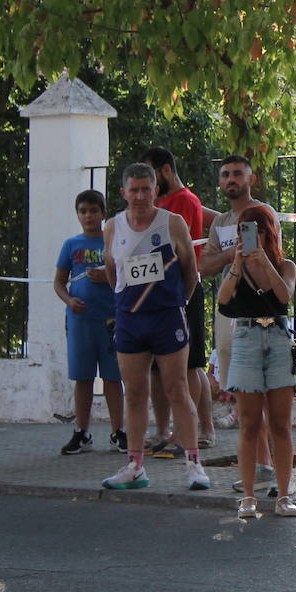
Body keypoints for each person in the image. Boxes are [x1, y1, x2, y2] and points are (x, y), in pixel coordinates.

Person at [100, 162, 210, 492]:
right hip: (130, 319)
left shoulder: (172, 223)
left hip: (167, 317)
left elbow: (190, 272)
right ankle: (135, 466)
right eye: (133, 190)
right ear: (124, 193)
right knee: (134, 393)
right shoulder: (113, 226)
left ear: (156, 191)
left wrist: (177, 304)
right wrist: (128, 305)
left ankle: (194, 464)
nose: (139, 196)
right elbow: (112, 273)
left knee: (177, 388)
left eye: (145, 189)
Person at [198, 155, 277, 495]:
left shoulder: (263, 213)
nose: (231, 179)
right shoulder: (220, 222)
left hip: (260, 312)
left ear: (251, 179)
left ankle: (278, 469)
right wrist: (234, 255)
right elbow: (205, 264)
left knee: (267, 393)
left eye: (238, 174)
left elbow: (271, 258)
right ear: (220, 182)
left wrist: (243, 254)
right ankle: (260, 466)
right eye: (226, 174)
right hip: (229, 311)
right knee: (244, 394)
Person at [217, 206, 296, 518]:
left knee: (280, 424)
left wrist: (264, 261)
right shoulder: (235, 267)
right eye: (244, 230)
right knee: (249, 424)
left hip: (277, 338)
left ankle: (283, 495)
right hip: (246, 338)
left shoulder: (285, 265)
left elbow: (284, 296)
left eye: (257, 230)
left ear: (269, 233)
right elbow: (223, 300)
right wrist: (238, 264)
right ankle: (248, 497)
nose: (251, 236)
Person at [142, 145, 214, 451]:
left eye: (151, 174)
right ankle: (167, 430)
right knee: (158, 367)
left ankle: (189, 431)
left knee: (189, 364)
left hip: (182, 289)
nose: (148, 184)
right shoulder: (162, 202)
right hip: (155, 292)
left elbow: (170, 249)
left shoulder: (183, 200)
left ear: (166, 170)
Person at [52, 189, 126, 455]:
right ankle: (81, 432)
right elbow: (59, 283)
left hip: (111, 320)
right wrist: (69, 301)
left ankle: (118, 432)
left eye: (94, 211)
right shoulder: (71, 245)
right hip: (80, 321)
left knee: (113, 376)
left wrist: (107, 277)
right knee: (83, 377)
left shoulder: (114, 242)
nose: (88, 216)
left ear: (103, 213)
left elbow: (126, 275)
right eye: (83, 211)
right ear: (77, 214)